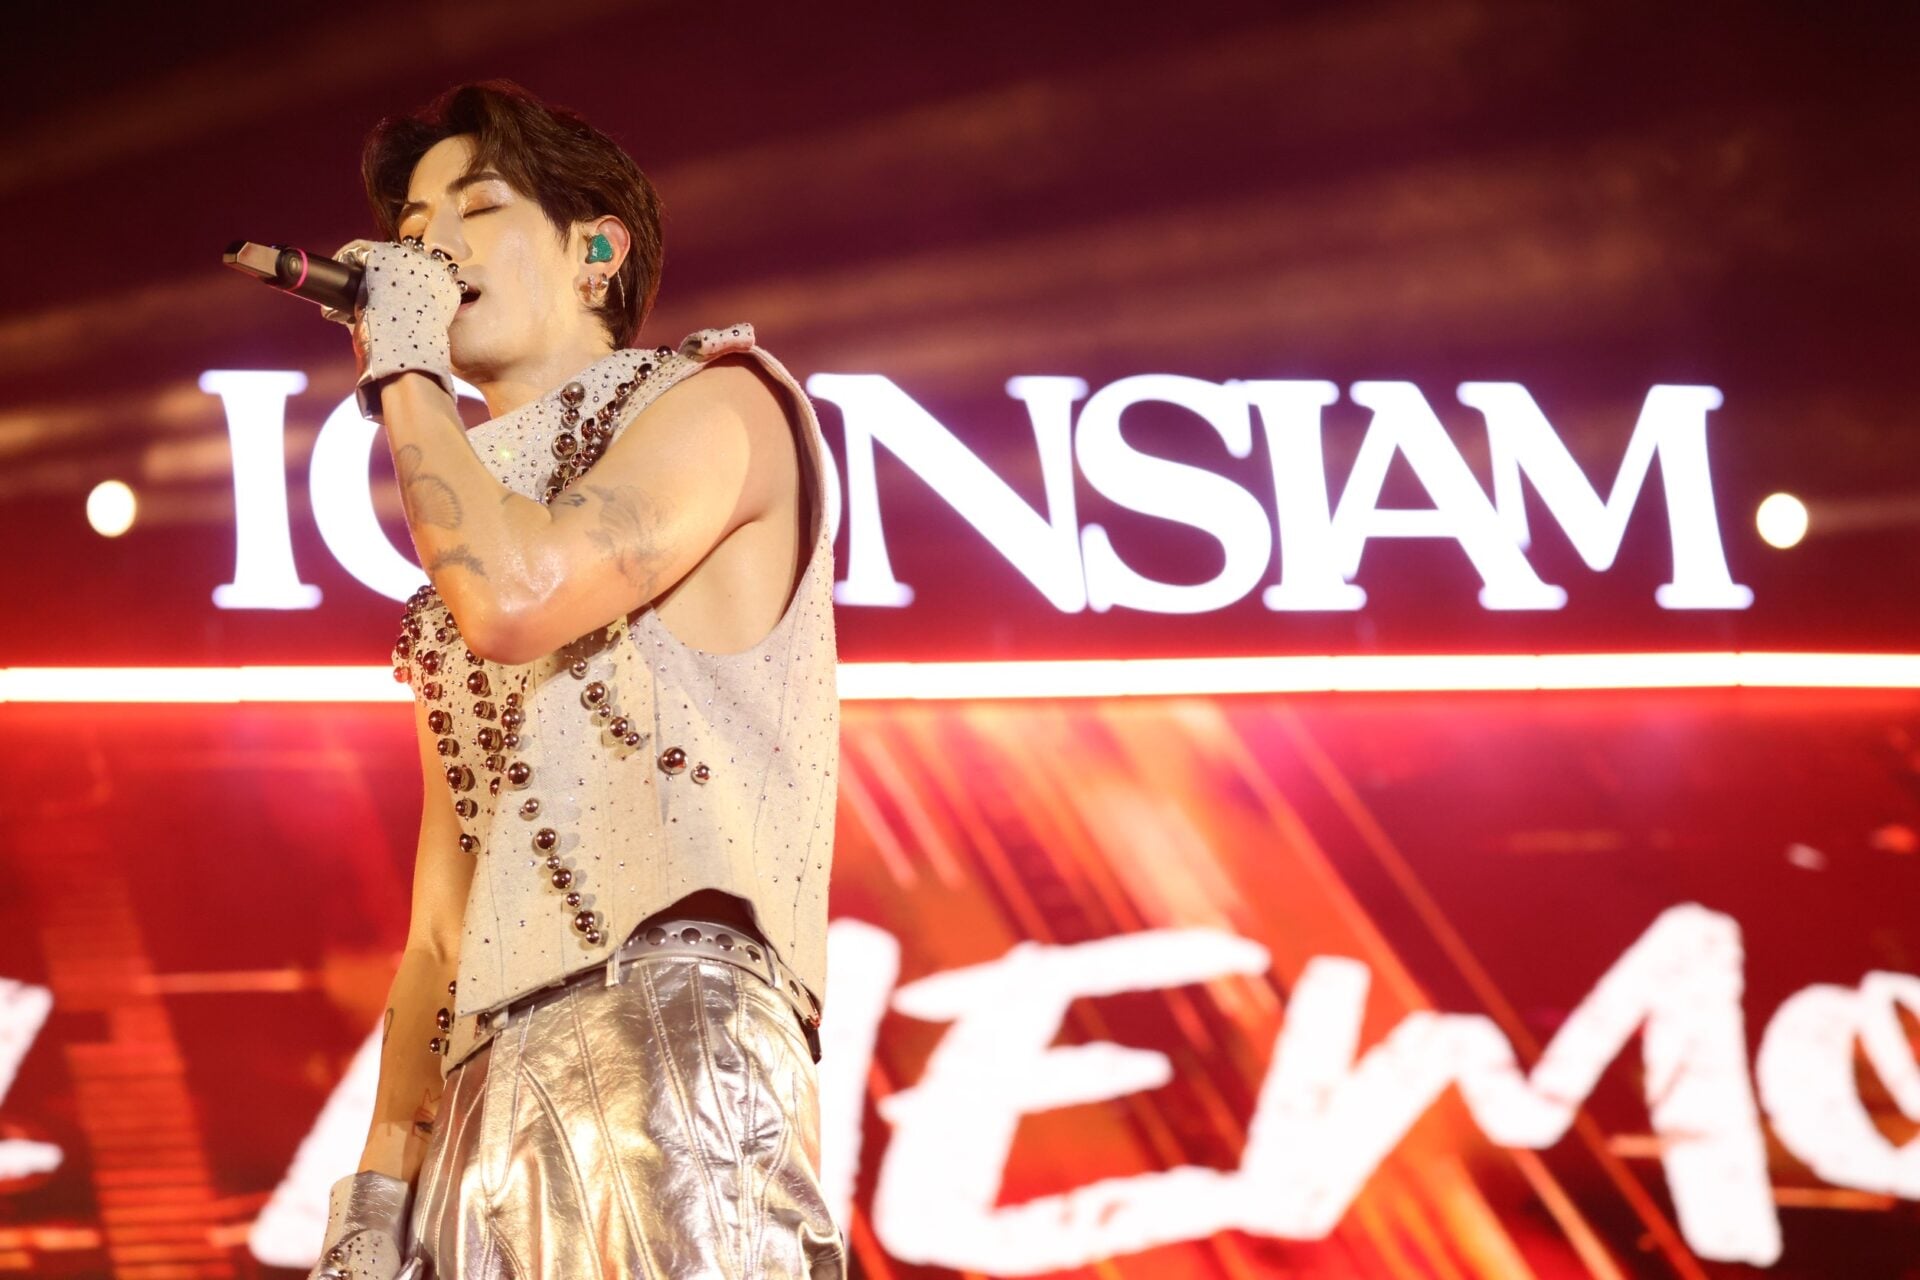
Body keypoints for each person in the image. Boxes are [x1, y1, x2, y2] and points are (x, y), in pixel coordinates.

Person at [306, 80, 843, 1279]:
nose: (428, 248)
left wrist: (403, 369)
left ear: (596, 251)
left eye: (478, 206)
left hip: (668, 1041)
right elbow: (440, 928)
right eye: (410, 228)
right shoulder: (455, 589)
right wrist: (377, 1193)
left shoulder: (723, 403)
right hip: (481, 1099)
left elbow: (518, 593)